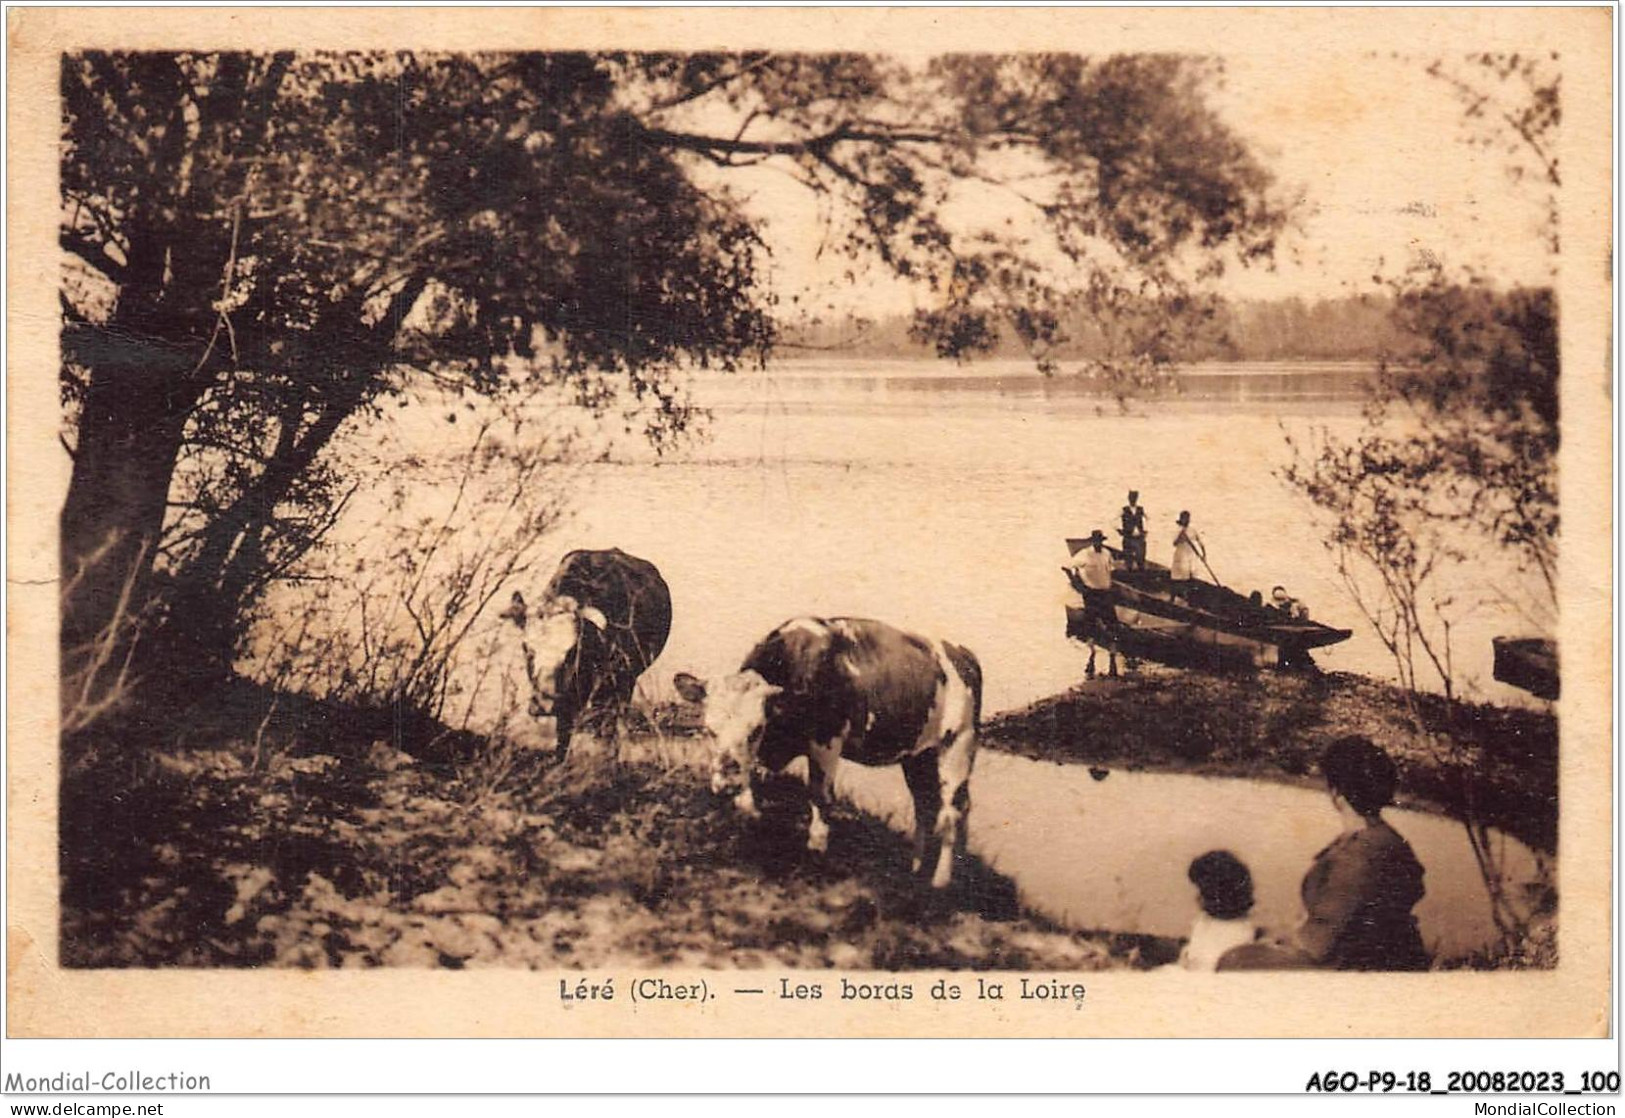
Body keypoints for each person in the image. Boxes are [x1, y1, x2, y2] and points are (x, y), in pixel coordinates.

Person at [1295, 736, 1430, 971]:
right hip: (1399, 961)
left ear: (1337, 794)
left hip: (1353, 970)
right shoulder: (1391, 840)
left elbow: (1317, 943)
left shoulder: (1358, 856)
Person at [1066, 529, 1119, 679]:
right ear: (1092, 541)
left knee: (1113, 626)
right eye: (1096, 541)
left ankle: (1112, 661)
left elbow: (1111, 570)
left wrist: (1111, 585)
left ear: (1102, 541)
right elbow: (1068, 567)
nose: (1098, 544)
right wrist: (1078, 583)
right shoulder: (1084, 554)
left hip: (1105, 593)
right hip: (1091, 594)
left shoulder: (1106, 553)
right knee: (1090, 627)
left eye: (1100, 541)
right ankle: (1092, 657)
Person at [1170, 510, 1205, 602]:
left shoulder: (1193, 530)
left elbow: (1201, 542)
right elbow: (1174, 543)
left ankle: (1188, 598)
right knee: (1175, 577)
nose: (1185, 520)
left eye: (1187, 519)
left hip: (1189, 556)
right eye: (1183, 519)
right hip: (1179, 556)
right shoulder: (1178, 530)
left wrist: (1203, 555)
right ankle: (1172, 598)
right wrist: (1180, 535)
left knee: (1188, 577)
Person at [1119, 490, 1148, 571]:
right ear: (1128, 498)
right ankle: (1129, 574)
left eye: (1134, 498)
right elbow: (1113, 520)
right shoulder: (1124, 509)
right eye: (1131, 498)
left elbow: (1149, 519)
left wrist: (1146, 530)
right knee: (1128, 559)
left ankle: (1141, 576)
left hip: (1139, 538)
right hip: (1128, 537)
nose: (1133, 500)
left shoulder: (1140, 509)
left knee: (1141, 558)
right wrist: (1119, 530)